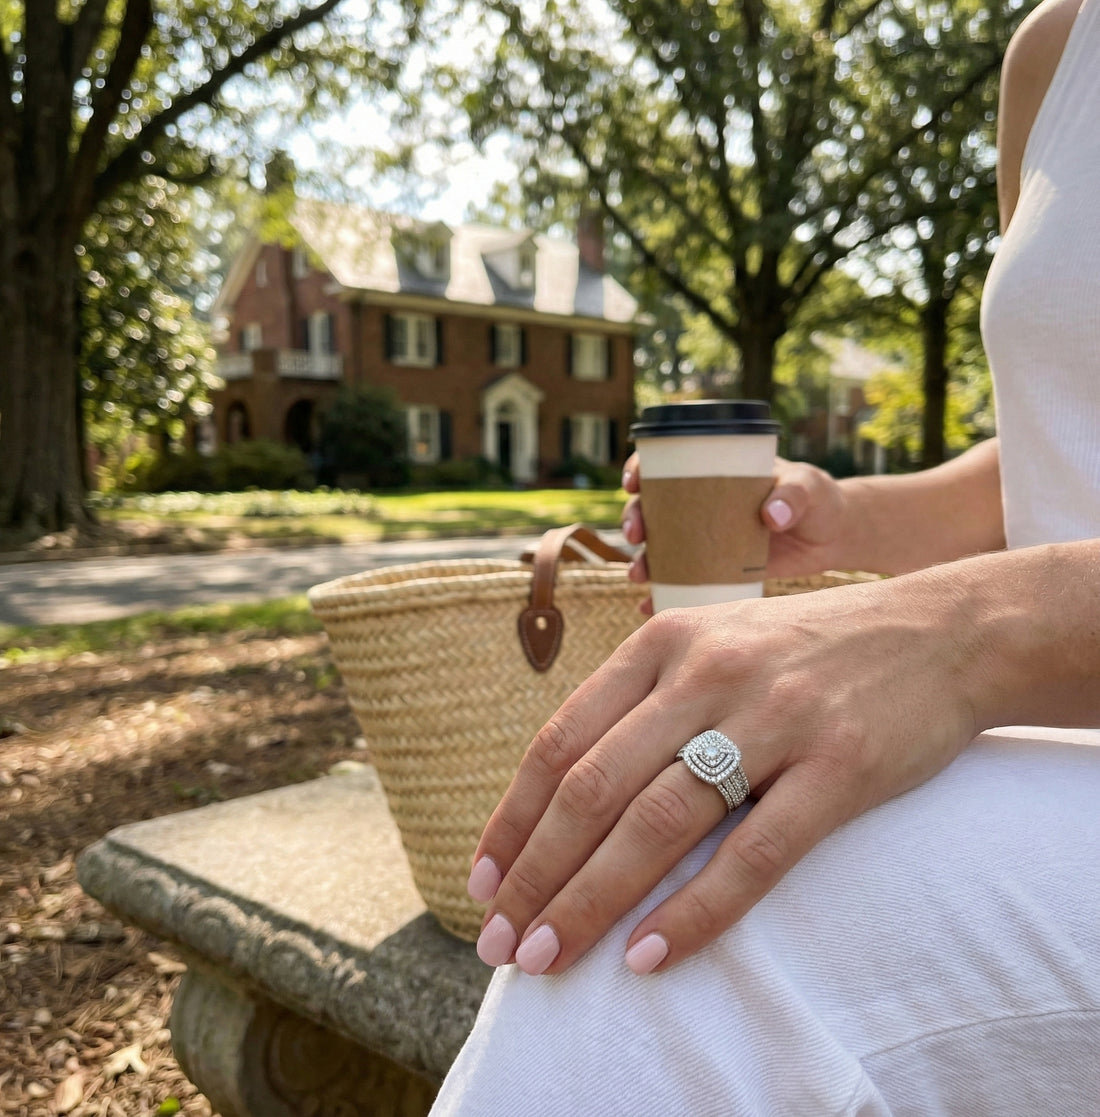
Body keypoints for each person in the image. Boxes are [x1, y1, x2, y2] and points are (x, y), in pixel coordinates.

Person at [431, 0, 1100, 1111]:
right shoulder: (1054, 50)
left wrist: (975, 633)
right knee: (685, 847)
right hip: (1045, 732)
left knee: (678, 935)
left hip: (1031, 695)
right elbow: (1060, 438)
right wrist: (852, 524)